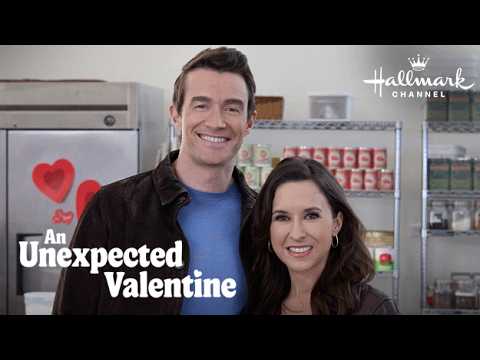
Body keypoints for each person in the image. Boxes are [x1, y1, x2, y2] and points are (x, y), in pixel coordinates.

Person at [53, 47, 257, 314]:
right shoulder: (113, 208)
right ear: (175, 115)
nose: (217, 122)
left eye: (232, 108)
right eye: (201, 105)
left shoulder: (264, 217)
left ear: (249, 122)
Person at [242, 157, 399, 315]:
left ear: (336, 224)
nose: (297, 234)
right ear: (267, 227)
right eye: (282, 218)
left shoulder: (373, 308)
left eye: (311, 216)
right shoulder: (258, 304)